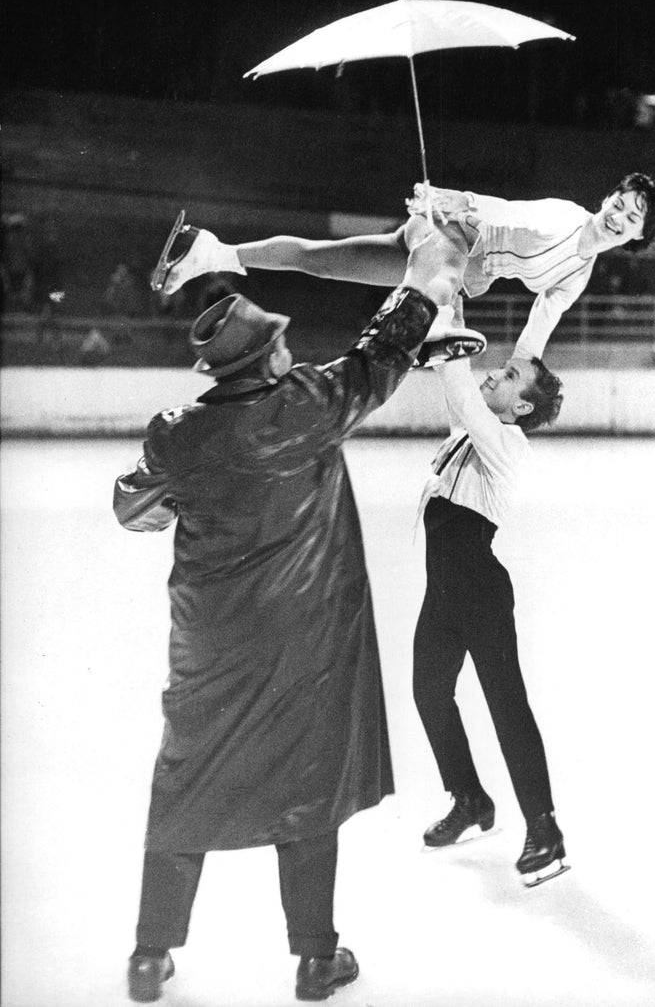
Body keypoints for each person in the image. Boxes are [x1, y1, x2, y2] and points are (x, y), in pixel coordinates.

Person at [113, 226, 468, 1003]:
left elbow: (131, 503)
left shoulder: (178, 432)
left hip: (211, 645)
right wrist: (430, 271)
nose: (285, 349)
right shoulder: (307, 406)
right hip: (305, 643)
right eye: (276, 344)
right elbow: (381, 353)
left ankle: (149, 954)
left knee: (186, 784)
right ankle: (315, 958)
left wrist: (170, 493)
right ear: (265, 358)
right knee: (308, 789)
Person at [155, 172, 655, 363]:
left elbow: (541, 325)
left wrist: (521, 372)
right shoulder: (563, 216)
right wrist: (457, 198)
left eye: (634, 218)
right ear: (607, 198)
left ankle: (215, 253)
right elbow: (511, 211)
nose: (620, 216)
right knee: (466, 278)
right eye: (621, 203)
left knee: (323, 262)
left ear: (640, 236)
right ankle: (436, 328)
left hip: (441, 260)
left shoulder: (578, 275)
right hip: (450, 234)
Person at [412, 297, 568, 887]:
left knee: (507, 705)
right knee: (429, 693)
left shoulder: (506, 443)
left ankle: (545, 830)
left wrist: (449, 336)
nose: (496, 372)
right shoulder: (469, 429)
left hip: (479, 591)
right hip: (445, 592)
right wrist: (444, 289)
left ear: (520, 406)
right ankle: (471, 799)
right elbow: (473, 391)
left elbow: (462, 395)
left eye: (508, 377)